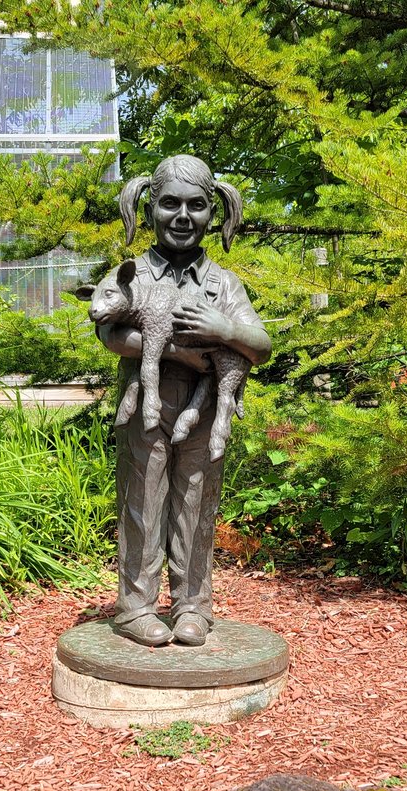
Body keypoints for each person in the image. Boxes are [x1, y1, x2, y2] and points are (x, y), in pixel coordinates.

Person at [94, 155, 271, 647]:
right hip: (146, 407)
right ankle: (136, 607)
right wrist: (182, 350)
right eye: (170, 203)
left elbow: (260, 345)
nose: (182, 216)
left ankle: (193, 606)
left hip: (205, 410)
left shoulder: (222, 283)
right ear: (149, 208)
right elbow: (111, 333)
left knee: (196, 503)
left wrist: (226, 329)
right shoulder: (134, 275)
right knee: (142, 502)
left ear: (212, 214)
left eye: (195, 206)